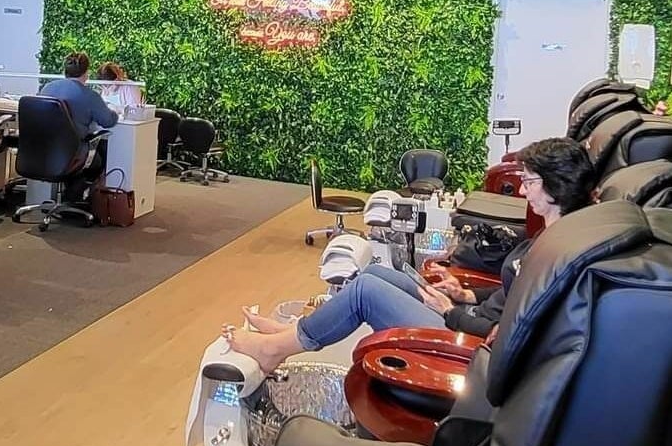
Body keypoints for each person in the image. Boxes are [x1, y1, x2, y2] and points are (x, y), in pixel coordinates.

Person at [224, 138, 596, 375]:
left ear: (553, 188)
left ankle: (275, 350)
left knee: (364, 293)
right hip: (469, 314)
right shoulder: (551, 237)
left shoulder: (558, 253)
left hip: (467, 341)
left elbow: (512, 328)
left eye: (530, 182)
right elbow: (510, 293)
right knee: (378, 275)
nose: (525, 190)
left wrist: (452, 312)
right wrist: (463, 294)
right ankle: (294, 334)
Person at [40, 52, 120, 137]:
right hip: (74, 147)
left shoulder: (47, 89)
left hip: (46, 145)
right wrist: (115, 111)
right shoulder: (90, 96)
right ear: (86, 73)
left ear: (65, 71)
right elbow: (108, 121)